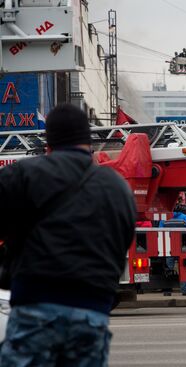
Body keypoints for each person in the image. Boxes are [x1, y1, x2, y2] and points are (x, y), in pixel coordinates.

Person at [0, 103, 136, 366]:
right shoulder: (117, 188)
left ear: (49, 142)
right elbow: (121, 246)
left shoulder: (21, 176)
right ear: (88, 142)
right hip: (92, 312)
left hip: (34, 306)